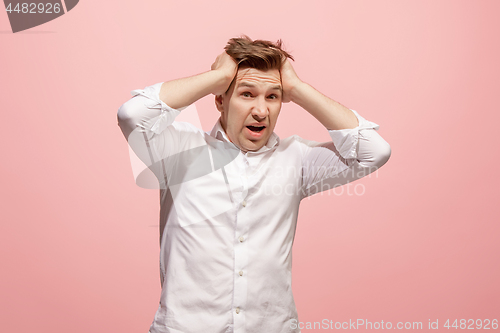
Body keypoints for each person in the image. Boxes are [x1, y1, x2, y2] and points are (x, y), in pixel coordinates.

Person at [117, 35, 391, 333]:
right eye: (247, 94)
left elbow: (373, 153)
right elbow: (132, 116)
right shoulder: (179, 150)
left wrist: (297, 89)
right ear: (220, 100)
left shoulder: (296, 158)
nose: (262, 111)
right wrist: (219, 76)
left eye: (272, 96)